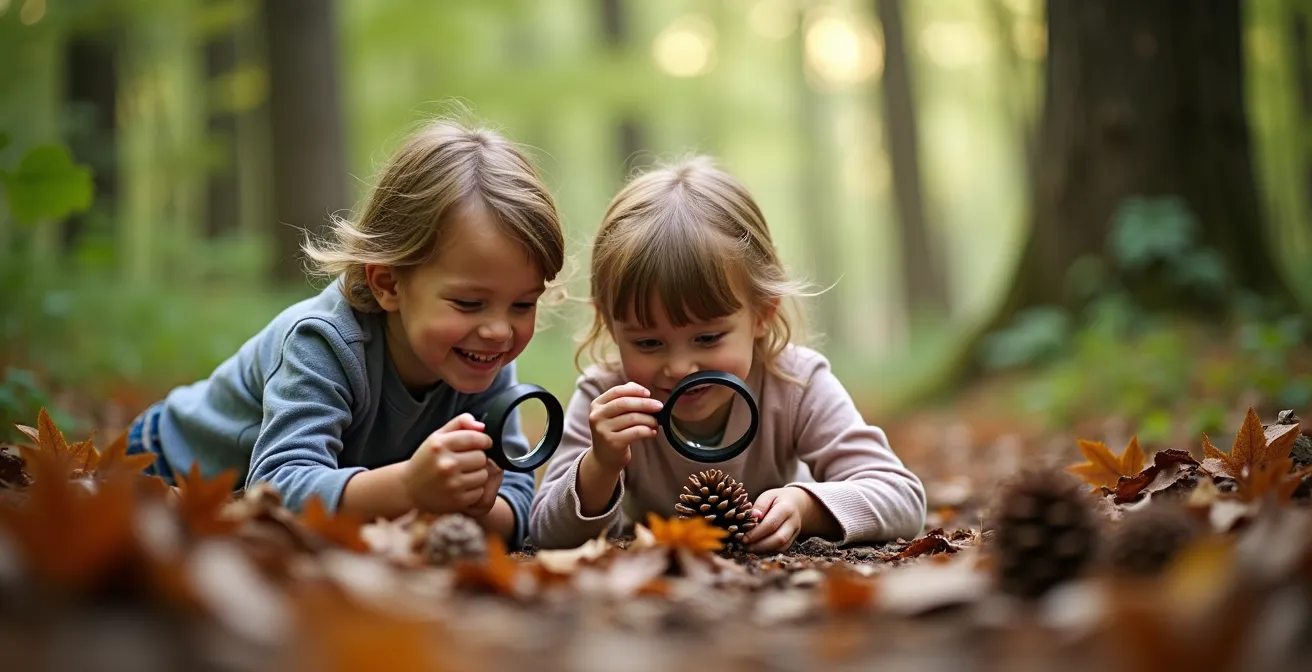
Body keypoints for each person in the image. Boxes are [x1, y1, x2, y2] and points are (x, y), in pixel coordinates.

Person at [126, 118, 565, 549]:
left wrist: (473, 504)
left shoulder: (482, 360)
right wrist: (409, 488)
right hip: (163, 466)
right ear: (388, 284)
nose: (499, 332)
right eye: (469, 303)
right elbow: (277, 485)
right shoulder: (322, 342)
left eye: (522, 304)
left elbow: (517, 503)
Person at [529, 156, 926, 552]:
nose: (680, 368)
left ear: (762, 315)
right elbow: (546, 532)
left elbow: (902, 497)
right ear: (610, 325)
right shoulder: (608, 399)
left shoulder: (794, 384)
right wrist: (600, 464)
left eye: (707, 338)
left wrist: (806, 506)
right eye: (648, 343)